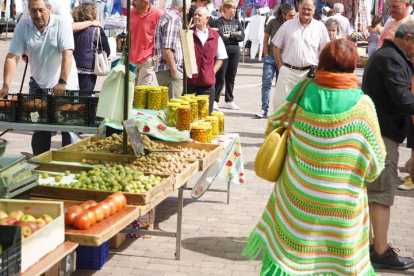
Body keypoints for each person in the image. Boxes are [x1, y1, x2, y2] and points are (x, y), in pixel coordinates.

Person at [243, 39, 386, 276]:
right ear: (352, 66)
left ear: (322, 63)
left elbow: (273, 130)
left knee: (292, 261)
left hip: (298, 199)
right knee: (341, 266)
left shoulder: (301, 92)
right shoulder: (364, 105)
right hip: (342, 206)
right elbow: (375, 165)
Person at [362, 21, 414, 270]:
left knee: (375, 192)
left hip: (380, 132)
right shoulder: (391, 58)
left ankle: (371, 244)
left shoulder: (390, 55)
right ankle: (380, 251)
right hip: (382, 135)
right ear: (407, 39)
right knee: (382, 193)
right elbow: (404, 99)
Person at [0, 0, 79, 155]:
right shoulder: (23, 25)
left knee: (69, 129)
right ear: (28, 11)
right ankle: (39, 162)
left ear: (49, 9)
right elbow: (12, 57)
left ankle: (69, 164)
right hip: (38, 84)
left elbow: (67, 54)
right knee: (39, 127)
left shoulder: (61, 23)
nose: (38, 14)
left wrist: (62, 81)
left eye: (41, 10)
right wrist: (6, 85)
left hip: (65, 84)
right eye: (34, 10)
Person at [272, 0, 329, 111]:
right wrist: (280, 66)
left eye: (309, 9)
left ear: (314, 10)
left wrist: (320, 70)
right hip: (288, 72)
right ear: (299, 7)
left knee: (307, 108)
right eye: (304, 8)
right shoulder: (287, 25)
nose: (306, 11)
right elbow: (276, 45)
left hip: (310, 74)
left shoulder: (320, 27)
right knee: (281, 106)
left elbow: (325, 51)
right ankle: (281, 128)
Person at [255, 4, 295, 118]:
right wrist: (266, 54)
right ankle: (264, 109)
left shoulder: (294, 25)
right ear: (283, 14)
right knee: (266, 84)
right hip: (271, 59)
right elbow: (266, 37)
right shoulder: (273, 22)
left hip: (285, 61)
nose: (293, 17)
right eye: (290, 16)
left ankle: (280, 111)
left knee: (281, 86)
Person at [187, 7, 227, 115]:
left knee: (205, 115)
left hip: (207, 83)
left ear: (207, 18)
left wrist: (212, 71)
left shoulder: (215, 35)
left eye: (199, 15)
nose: (196, 17)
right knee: (188, 114)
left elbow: (221, 57)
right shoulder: (187, 33)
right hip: (189, 82)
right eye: (195, 15)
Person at [213, 0, 245, 110]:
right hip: (223, 51)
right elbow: (220, 37)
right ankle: (215, 100)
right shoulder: (219, 22)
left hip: (235, 51)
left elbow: (242, 37)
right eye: (233, 9)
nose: (235, 11)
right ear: (226, 9)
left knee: (231, 76)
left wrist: (229, 35)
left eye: (235, 9)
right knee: (220, 76)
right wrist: (235, 35)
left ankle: (229, 100)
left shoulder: (237, 22)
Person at [72, 3, 111, 91]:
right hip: (89, 70)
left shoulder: (71, 29)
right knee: (85, 99)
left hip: (71, 69)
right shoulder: (97, 30)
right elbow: (107, 51)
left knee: (70, 99)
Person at [154, 0, 184, 99]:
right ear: (181, 8)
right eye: (187, 8)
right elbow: (167, 48)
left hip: (166, 69)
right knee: (173, 107)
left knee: (167, 106)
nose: (188, 11)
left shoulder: (167, 17)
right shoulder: (173, 19)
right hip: (169, 70)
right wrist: (174, 70)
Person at [130, 0, 164, 86]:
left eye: (135, 3)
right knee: (131, 92)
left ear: (145, 3)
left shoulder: (158, 14)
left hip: (148, 59)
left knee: (142, 91)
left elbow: (163, 36)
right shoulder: (130, 13)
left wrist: (156, 55)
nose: (132, 3)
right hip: (132, 59)